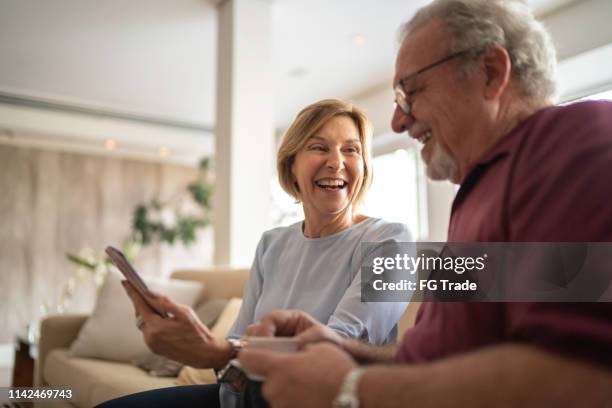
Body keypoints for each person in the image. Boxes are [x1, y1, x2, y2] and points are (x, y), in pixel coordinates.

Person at [238, 1, 612, 406]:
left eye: (409, 91)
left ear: (490, 73)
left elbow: (588, 374)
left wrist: (350, 389)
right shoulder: (473, 198)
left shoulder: (579, 144)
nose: (398, 122)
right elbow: (436, 358)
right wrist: (340, 347)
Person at [97, 99, 412, 408]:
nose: (336, 161)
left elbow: (332, 349)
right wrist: (199, 348)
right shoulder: (272, 244)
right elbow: (236, 347)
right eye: (319, 147)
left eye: (351, 149)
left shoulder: (391, 242)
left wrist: (218, 352)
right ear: (291, 165)